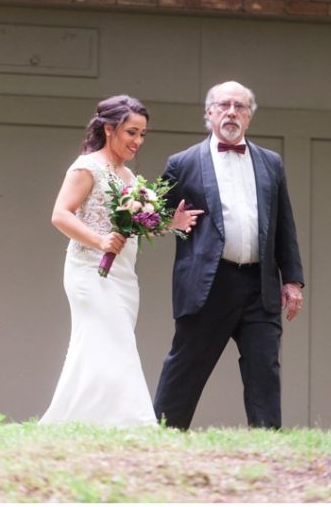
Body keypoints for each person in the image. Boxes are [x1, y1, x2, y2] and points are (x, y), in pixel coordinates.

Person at [40, 95, 201, 426]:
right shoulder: (88, 167)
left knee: (98, 346)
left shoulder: (128, 177)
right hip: (89, 271)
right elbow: (59, 214)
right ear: (109, 129)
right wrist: (99, 240)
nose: (138, 141)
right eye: (131, 132)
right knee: (117, 344)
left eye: (142, 134)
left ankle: (73, 421)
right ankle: (137, 423)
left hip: (124, 276)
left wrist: (170, 223)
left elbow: (136, 228)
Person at [153, 81, 305, 430]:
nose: (231, 112)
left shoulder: (271, 163)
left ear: (249, 116)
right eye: (223, 105)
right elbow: (152, 216)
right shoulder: (183, 162)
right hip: (209, 282)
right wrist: (168, 221)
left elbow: (285, 225)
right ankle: (163, 435)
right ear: (209, 113)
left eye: (240, 106)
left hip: (260, 282)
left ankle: (267, 442)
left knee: (264, 366)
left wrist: (293, 280)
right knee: (187, 364)